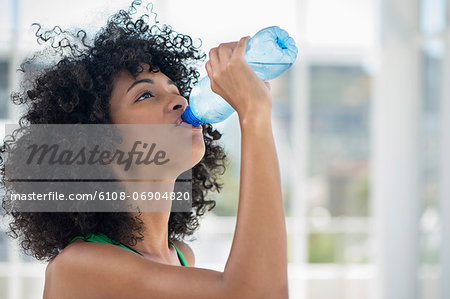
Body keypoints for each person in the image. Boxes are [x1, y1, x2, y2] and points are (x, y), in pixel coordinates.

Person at [0, 1, 288, 298]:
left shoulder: (181, 256)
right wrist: (253, 115)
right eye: (145, 95)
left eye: (175, 90)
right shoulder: (77, 266)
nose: (180, 102)